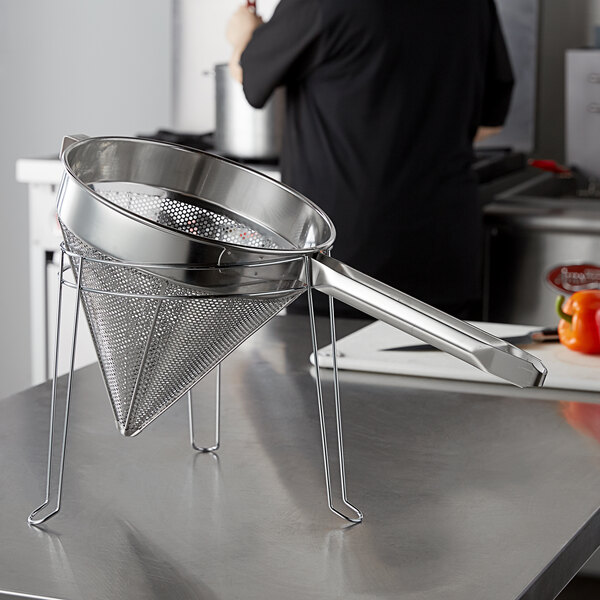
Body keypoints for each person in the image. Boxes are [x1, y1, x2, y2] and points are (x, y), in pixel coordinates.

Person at [226, 0, 514, 319]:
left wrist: (244, 34)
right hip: (443, 259)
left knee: (330, 369)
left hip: (342, 266)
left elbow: (248, 74)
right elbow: (490, 124)